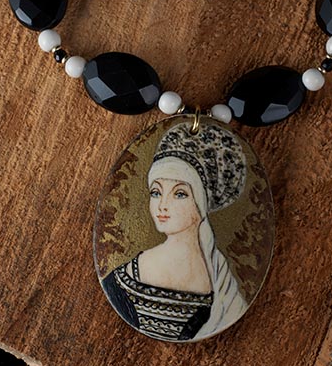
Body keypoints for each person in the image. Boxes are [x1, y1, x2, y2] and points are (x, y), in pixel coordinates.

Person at [101, 120, 249, 341]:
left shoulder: (221, 279)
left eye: (180, 194)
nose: (162, 205)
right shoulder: (125, 277)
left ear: (201, 202)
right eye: (156, 192)